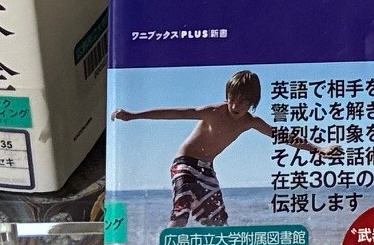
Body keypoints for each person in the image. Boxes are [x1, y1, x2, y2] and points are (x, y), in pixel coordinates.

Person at [113, 69, 337, 227]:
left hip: (206, 170)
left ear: (252, 102)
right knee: (182, 208)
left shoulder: (250, 122)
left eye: (243, 101)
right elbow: (175, 113)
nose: (235, 106)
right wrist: (133, 116)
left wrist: (318, 149)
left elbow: (281, 136)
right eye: (232, 99)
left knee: (219, 223)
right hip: (185, 164)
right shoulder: (214, 112)